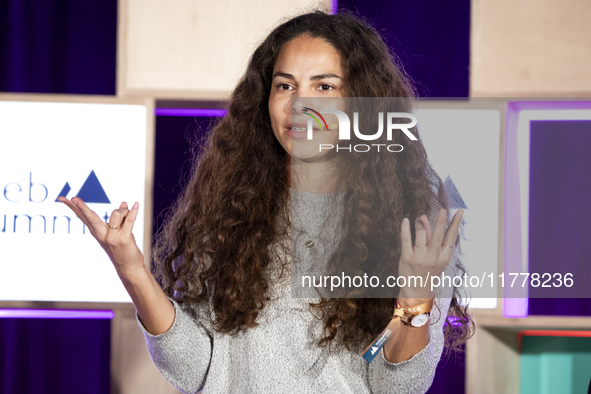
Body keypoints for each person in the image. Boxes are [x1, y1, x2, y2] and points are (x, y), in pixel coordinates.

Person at [59, 9, 472, 394]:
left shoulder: (412, 226)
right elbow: (196, 369)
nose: (300, 103)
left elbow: (398, 386)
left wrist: (415, 297)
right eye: (285, 85)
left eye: (324, 86)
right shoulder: (231, 213)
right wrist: (132, 271)